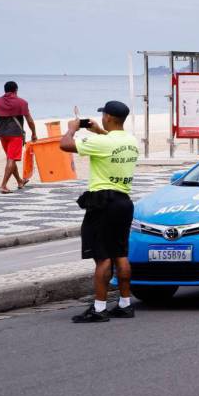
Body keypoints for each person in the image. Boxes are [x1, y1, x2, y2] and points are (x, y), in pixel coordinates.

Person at [59, 101, 139, 323]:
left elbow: (64, 145)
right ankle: (124, 304)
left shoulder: (100, 143)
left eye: (104, 114)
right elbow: (113, 143)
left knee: (102, 256)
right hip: (124, 202)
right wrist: (99, 131)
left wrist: (72, 128)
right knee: (120, 254)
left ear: (110, 117)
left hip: (103, 203)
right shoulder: (131, 141)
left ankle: (100, 308)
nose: (102, 117)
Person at [0, 81, 37, 194]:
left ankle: (20, 181)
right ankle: (3, 186)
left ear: (5, 90)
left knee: (11, 158)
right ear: (16, 90)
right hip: (15, 135)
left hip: (3, 135)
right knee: (11, 159)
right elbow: (29, 120)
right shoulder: (22, 102)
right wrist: (34, 133)